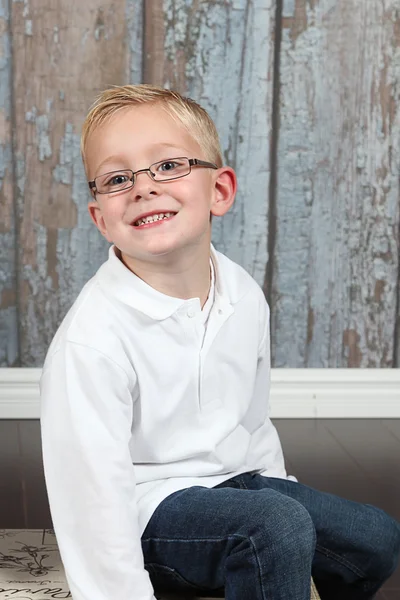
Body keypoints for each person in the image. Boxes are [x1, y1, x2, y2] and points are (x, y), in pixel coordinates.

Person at [40, 84, 400, 600]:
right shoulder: (92, 340)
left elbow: (251, 421)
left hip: (235, 482)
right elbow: (90, 499)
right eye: (118, 178)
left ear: (220, 191)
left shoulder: (242, 293)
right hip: (149, 512)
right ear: (101, 219)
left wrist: (288, 505)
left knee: (374, 537)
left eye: (168, 166)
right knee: (271, 529)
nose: (144, 187)